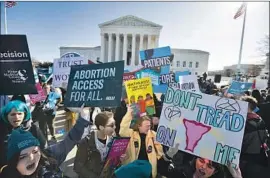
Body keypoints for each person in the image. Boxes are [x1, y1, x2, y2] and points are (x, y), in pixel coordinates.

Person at [0, 105, 90, 178]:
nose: (32, 158)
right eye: (23, 156)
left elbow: (70, 140)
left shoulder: (49, 157)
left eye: (35, 151)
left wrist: (83, 118)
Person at [119, 107, 178, 178]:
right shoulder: (131, 134)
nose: (149, 128)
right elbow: (122, 130)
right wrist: (129, 113)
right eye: (146, 126)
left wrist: (169, 154)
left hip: (149, 173)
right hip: (133, 172)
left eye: (150, 126)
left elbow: (159, 156)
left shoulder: (154, 135)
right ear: (139, 126)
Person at [0, 100, 46, 168]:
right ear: (6, 116)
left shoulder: (33, 129)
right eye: (12, 114)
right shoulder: (2, 131)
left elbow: (44, 148)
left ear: (25, 114)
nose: (16, 117)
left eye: (20, 114)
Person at [74, 111, 118, 178]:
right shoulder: (86, 142)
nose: (114, 127)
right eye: (111, 125)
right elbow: (78, 166)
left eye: (115, 124)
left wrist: (118, 159)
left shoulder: (113, 140)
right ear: (101, 127)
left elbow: (112, 164)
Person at [239, 96, 270, 178]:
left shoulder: (243, 121)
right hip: (259, 158)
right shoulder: (260, 119)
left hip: (246, 159)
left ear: (246, 106)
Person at [158, 155, 242, 178]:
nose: (203, 167)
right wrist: (167, 156)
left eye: (209, 166)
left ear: (215, 171)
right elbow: (161, 170)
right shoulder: (181, 172)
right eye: (201, 161)